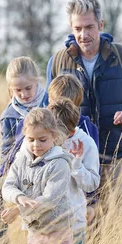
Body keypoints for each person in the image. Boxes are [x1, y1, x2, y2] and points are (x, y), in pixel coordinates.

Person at [46, 0, 122, 199]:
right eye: (77, 29)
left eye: (89, 27)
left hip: (114, 161)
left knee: (116, 225)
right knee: (77, 225)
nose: (83, 35)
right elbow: (47, 112)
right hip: (72, 162)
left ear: (100, 25)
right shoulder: (57, 61)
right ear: (71, 27)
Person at [1, 108, 73, 244]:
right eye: (31, 139)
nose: (36, 145)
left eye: (42, 140)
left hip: (57, 229)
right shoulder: (21, 159)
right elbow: (8, 186)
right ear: (24, 136)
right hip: (34, 230)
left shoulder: (59, 163)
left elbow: (50, 199)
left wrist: (19, 209)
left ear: (54, 136)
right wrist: (18, 197)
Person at [0, 56, 48, 244]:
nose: (24, 94)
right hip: (20, 171)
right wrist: (0, 180)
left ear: (37, 81)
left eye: (28, 88)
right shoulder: (9, 115)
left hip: (50, 166)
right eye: (17, 90)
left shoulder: (49, 104)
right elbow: (7, 153)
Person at [48, 97, 100, 244]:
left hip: (74, 222)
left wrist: (76, 165)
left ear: (70, 131)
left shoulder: (87, 143)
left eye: (55, 135)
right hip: (47, 223)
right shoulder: (44, 139)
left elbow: (92, 183)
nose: (52, 138)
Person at [48, 73, 99, 223]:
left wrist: (91, 202)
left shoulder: (87, 130)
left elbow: (93, 167)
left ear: (75, 106)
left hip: (77, 202)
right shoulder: (43, 124)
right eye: (55, 104)